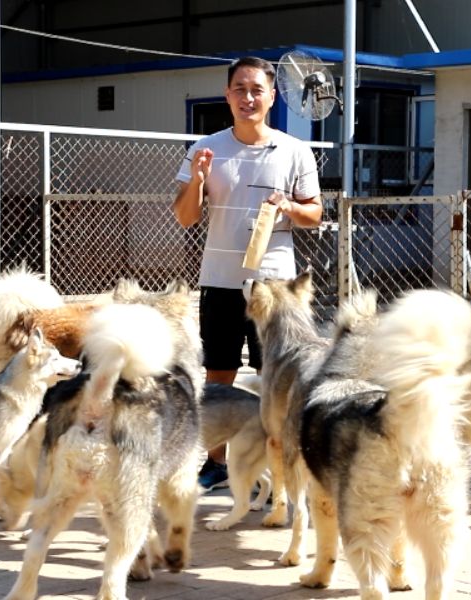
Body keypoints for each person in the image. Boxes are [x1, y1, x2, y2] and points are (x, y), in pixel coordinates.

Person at [173, 56, 323, 491]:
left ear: (272, 96)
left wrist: (289, 207)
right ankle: (216, 462)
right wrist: (199, 178)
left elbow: (314, 213)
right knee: (218, 373)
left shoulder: (295, 150)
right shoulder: (206, 148)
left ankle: (278, 466)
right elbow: (185, 216)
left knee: (276, 376)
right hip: (219, 280)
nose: (248, 97)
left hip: (275, 288)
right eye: (240, 89)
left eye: (257, 89)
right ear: (227, 95)